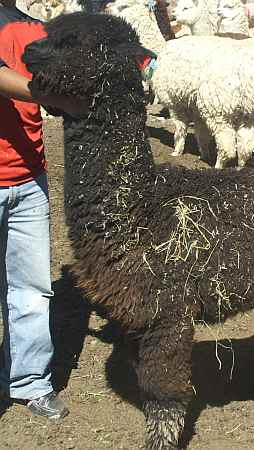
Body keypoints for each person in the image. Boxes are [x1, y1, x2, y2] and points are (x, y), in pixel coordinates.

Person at [0, 0, 85, 419]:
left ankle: (29, 381)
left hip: (29, 178)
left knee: (32, 288)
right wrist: (56, 97)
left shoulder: (35, 27)